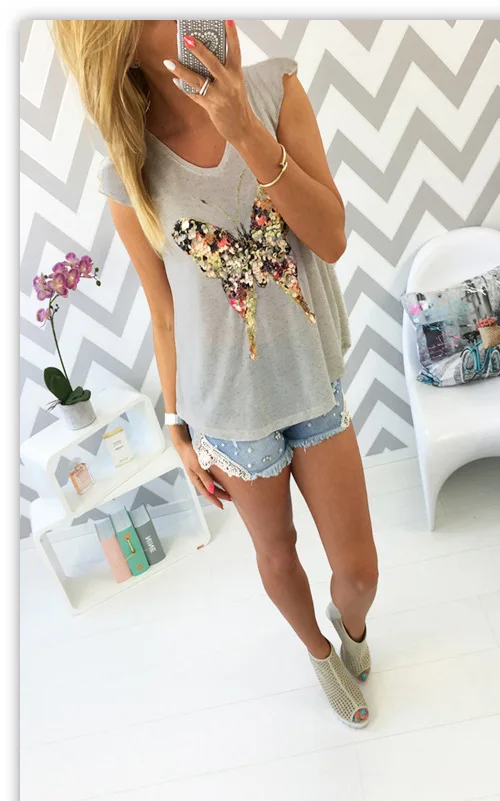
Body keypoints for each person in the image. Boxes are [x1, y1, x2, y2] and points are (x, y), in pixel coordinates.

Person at [51, 20, 379, 728]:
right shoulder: (127, 168)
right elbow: (165, 313)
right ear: (121, 38)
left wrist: (244, 130)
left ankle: (349, 626)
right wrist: (176, 422)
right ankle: (320, 652)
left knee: (359, 574)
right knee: (277, 553)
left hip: (311, 384)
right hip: (225, 413)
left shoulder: (276, 90)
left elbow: (330, 239)